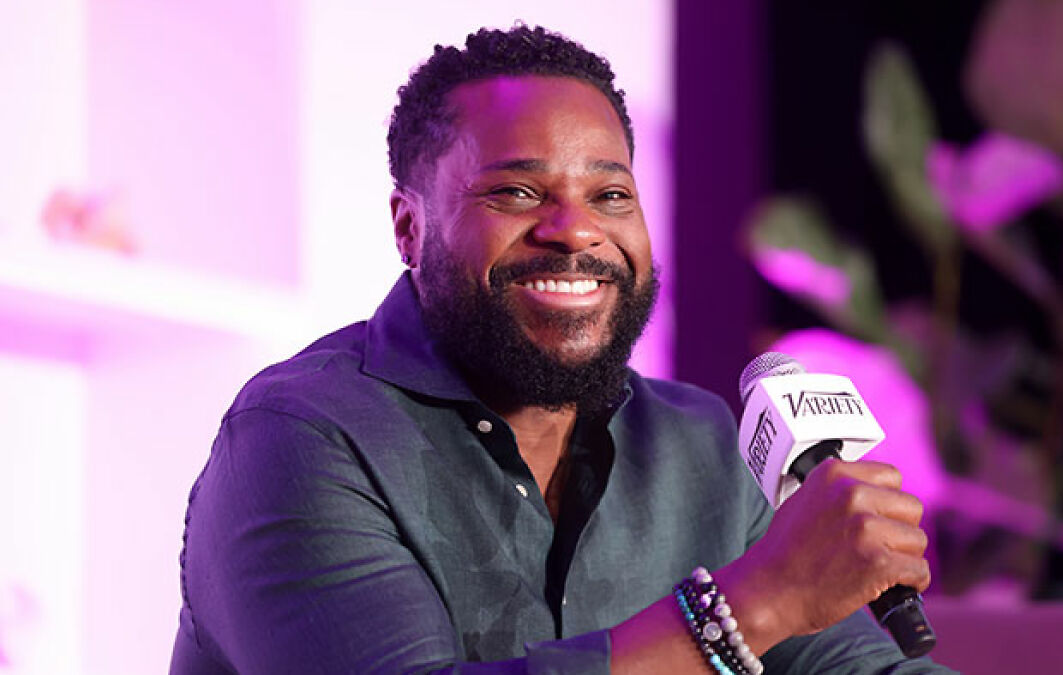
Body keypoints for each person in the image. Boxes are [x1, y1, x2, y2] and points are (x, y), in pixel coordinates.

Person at [169, 24, 952, 674]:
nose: (576, 229)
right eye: (516, 192)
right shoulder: (299, 438)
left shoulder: (700, 448)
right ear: (409, 227)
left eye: (611, 195)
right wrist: (753, 606)